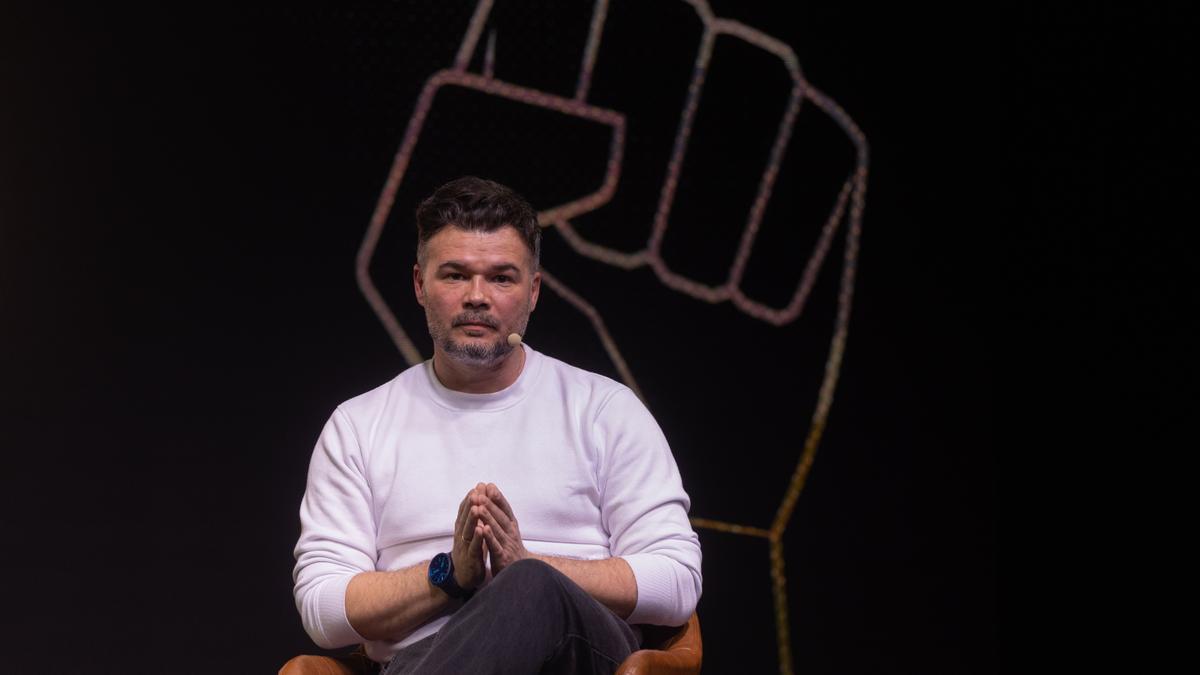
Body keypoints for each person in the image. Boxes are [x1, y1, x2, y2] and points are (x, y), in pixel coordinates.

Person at [292, 176, 702, 674]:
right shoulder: (359, 425)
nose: (477, 297)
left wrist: (530, 565)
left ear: (533, 292)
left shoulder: (604, 410)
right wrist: (448, 577)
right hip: (419, 662)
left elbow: (677, 580)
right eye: (455, 275)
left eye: (502, 278)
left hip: (577, 656)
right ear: (420, 285)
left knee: (531, 586)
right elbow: (323, 607)